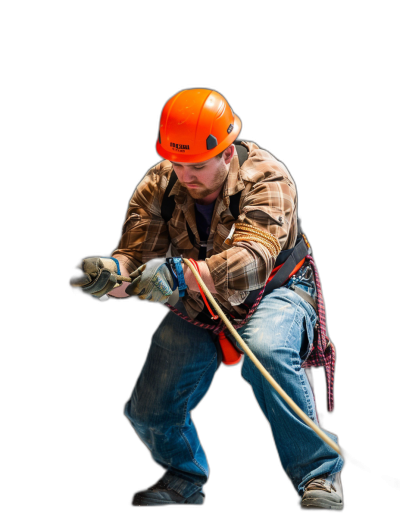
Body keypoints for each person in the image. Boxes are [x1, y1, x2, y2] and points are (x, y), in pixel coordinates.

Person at [69, 88, 344, 510]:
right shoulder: (161, 181)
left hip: (274, 289)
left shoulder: (269, 177)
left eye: (197, 166)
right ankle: (183, 477)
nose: (185, 176)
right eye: (177, 163)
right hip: (196, 301)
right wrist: (110, 277)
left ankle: (319, 475)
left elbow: (253, 260)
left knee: (265, 351)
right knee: (147, 407)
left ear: (228, 153)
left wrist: (179, 274)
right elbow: (137, 258)